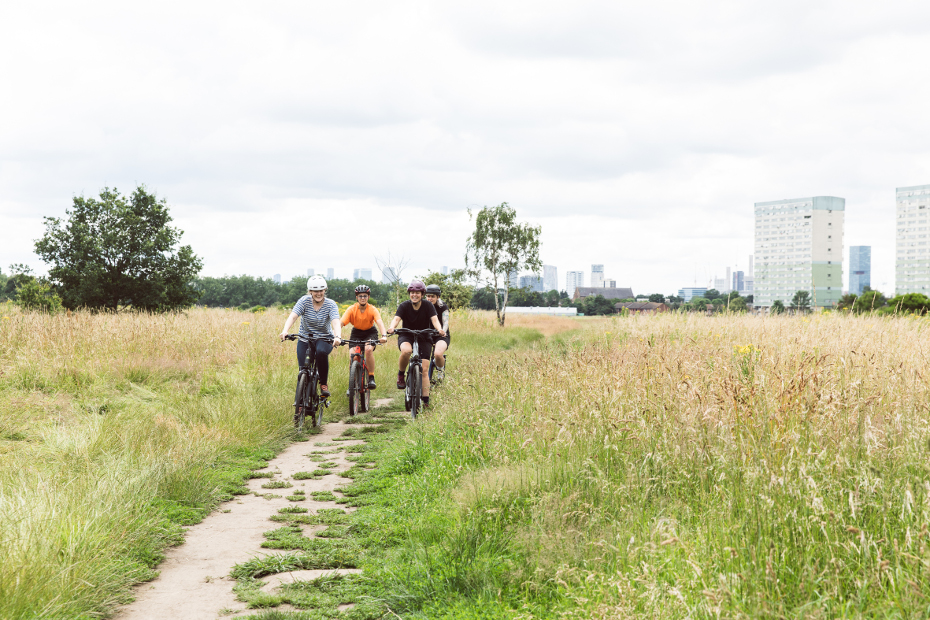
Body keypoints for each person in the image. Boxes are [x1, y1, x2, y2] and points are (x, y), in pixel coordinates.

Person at [279, 275, 341, 398]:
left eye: (321, 290)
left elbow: (335, 321)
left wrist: (337, 336)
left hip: (324, 338)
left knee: (321, 351)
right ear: (310, 291)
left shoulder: (331, 304)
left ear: (325, 290)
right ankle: (300, 404)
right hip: (305, 338)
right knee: (303, 371)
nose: (319, 293)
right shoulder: (304, 301)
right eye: (315, 291)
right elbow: (293, 316)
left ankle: (323, 383)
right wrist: (285, 330)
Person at [386, 280, 445, 408]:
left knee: (424, 370)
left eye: (417, 293)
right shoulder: (404, 306)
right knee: (406, 351)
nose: (414, 295)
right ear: (409, 294)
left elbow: (434, 320)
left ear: (422, 294)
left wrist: (440, 329)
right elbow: (396, 319)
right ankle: (401, 374)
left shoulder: (428, 306)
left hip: (424, 336)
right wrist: (391, 327)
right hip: (406, 335)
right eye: (412, 292)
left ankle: (426, 401)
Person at [340, 284, 388, 390]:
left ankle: (371, 377)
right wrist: (336, 336)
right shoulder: (351, 309)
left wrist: (384, 335)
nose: (362, 298)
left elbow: (379, 322)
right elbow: (341, 323)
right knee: (353, 356)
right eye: (360, 296)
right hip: (356, 333)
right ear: (356, 297)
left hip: (370, 332)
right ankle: (352, 384)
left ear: (368, 297)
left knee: (368, 350)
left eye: (365, 296)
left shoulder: (372, 309)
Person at [424, 284, 450, 381]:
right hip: (426, 334)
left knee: (438, 354)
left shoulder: (442, 306)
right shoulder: (422, 305)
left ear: (438, 297)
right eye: (428, 296)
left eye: (432, 296)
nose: (429, 298)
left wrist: (443, 331)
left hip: (440, 335)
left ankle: (440, 369)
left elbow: (446, 322)